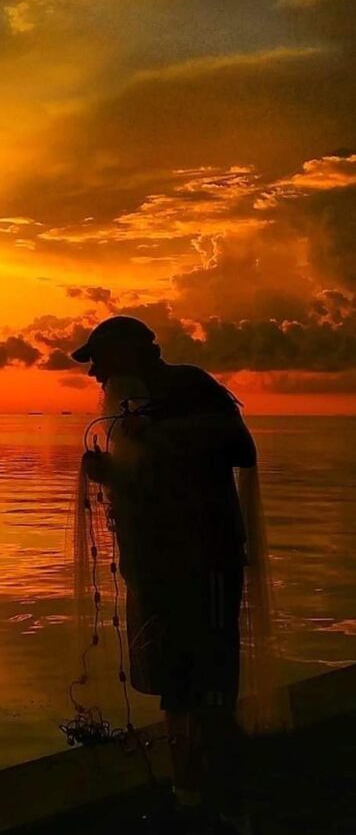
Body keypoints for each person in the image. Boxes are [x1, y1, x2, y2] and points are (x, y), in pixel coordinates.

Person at [70, 315, 281, 835]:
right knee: (175, 686)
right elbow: (153, 481)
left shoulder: (189, 385)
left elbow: (240, 449)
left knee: (210, 689)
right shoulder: (128, 406)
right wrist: (110, 473)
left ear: (129, 355)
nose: (93, 372)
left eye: (99, 359)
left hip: (204, 563)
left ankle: (231, 807)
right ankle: (187, 798)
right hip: (158, 569)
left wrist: (159, 433)